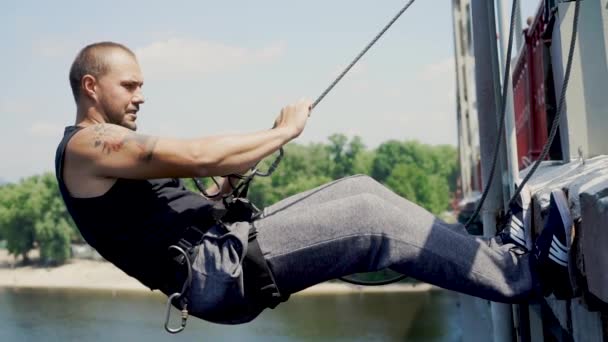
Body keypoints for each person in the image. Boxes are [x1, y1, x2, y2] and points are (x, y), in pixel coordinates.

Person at [55, 41, 574, 325]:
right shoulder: (86, 146)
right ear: (91, 86)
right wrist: (281, 132)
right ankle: (523, 274)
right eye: (130, 86)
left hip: (222, 250)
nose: (140, 96)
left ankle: (496, 253)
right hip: (218, 272)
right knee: (372, 224)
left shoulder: (106, 152)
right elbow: (193, 154)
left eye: (143, 86)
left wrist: (220, 195)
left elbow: (162, 214)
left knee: (361, 191)